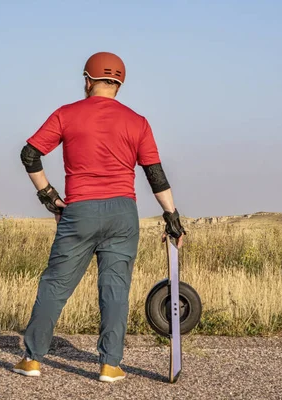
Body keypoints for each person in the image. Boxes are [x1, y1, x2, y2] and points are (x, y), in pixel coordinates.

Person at [15, 52, 186, 382]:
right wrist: (172, 216)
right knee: (115, 290)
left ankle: (33, 358)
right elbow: (155, 174)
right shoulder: (138, 121)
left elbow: (29, 154)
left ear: (87, 79)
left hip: (80, 210)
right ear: (119, 85)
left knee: (56, 285)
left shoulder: (67, 114)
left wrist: (49, 197)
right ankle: (110, 364)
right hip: (123, 212)